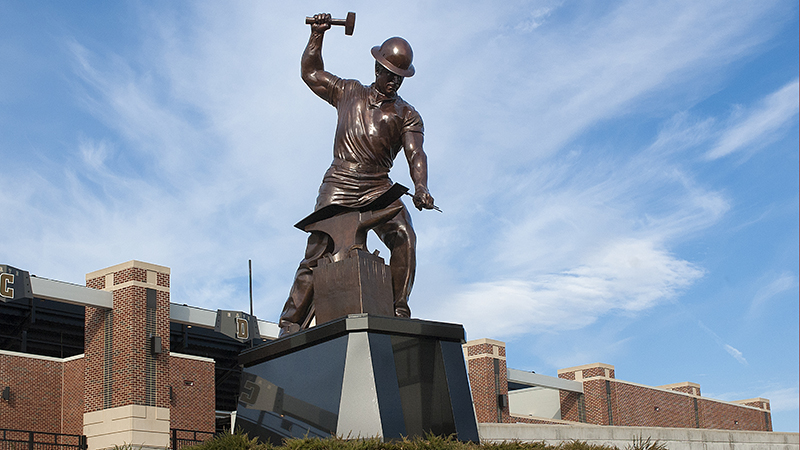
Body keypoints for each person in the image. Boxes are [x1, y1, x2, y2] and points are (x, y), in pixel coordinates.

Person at [278, 13, 435, 336]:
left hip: (379, 187)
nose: (393, 81)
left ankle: (398, 308)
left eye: (400, 77)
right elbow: (311, 73)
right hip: (339, 182)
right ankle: (290, 320)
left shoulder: (407, 115)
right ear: (377, 68)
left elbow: (415, 153)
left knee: (404, 236)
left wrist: (421, 186)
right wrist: (317, 35)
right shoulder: (347, 91)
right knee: (319, 247)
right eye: (389, 73)